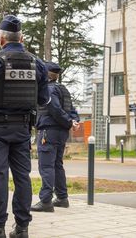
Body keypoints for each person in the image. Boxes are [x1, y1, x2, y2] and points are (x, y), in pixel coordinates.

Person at [0, 15, 50, 238]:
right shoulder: (37, 64)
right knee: (23, 177)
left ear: (1, 40)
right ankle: (22, 228)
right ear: (21, 38)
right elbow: (44, 100)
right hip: (23, 129)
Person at [31, 62, 80, 212]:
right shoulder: (63, 89)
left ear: (45, 74)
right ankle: (62, 198)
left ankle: (46, 201)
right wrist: (73, 121)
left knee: (46, 166)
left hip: (48, 131)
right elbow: (71, 109)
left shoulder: (48, 90)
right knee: (57, 164)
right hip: (61, 132)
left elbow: (55, 110)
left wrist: (68, 121)